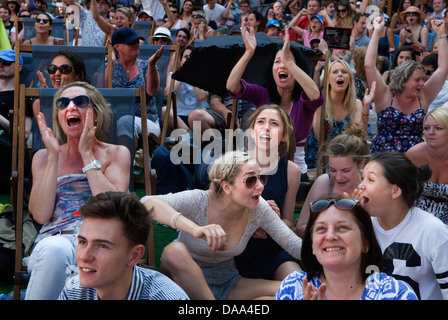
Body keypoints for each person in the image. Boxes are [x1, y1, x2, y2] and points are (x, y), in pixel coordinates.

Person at [141, 151, 303, 300]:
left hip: (229, 282)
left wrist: (324, 246)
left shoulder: (258, 207)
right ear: (226, 186)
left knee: (298, 287)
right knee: (174, 251)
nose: (260, 186)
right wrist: (195, 228)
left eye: (262, 178)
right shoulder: (201, 200)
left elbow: (294, 245)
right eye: (251, 179)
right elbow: (146, 203)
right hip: (185, 279)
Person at [26, 82, 131, 300]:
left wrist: (86, 154)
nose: (70, 107)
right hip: (57, 240)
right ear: (59, 117)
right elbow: (40, 215)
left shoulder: (117, 153)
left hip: (103, 241)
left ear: (97, 114)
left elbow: (113, 209)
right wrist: (54, 158)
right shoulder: (43, 157)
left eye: (80, 102)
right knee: (55, 251)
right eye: (63, 103)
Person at [226, 20, 324, 182]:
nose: (282, 66)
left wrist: (289, 63)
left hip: (295, 175)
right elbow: (232, 86)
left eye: (287, 62)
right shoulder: (262, 94)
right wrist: (249, 52)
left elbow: (316, 96)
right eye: (277, 62)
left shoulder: (303, 100)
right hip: (260, 172)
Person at [276, 195, 418, 300]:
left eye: (342, 227)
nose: (330, 236)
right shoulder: (293, 287)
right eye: (321, 229)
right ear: (312, 245)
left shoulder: (396, 294)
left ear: (366, 243)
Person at [59, 191, 189, 300]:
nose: (84, 256)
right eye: (83, 242)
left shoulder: (169, 297)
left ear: (134, 255)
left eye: (102, 246)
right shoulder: (73, 292)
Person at [352, 151, 448, 300]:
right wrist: (347, 219)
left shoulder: (432, 230)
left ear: (395, 191)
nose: (361, 186)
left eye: (370, 180)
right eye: (362, 178)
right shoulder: (361, 225)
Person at [234, 104, 302, 281]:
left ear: (284, 136)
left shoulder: (291, 171)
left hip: (274, 249)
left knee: (297, 282)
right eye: (261, 122)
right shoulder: (233, 163)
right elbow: (215, 213)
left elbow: (288, 220)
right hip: (237, 248)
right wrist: (249, 225)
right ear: (252, 131)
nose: (266, 127)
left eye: (274, 123)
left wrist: (273, 221)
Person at [365, 16, 448, 153]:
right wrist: (377, 31)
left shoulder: (424, 95)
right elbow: (369, 66)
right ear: (403, 80)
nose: (423, 83)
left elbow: (443, 68)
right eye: (417, 80)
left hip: (415, 161)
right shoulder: (385, 94)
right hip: (384, 161)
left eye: (423, 79)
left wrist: (441, 34)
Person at [297, 124, 370, 237]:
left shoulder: (370, 188)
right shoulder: (324, 182)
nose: (338, 177)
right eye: (333, 170)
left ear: (361, 164)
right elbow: (301, 227)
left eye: (346, 170)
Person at [305, 60, 373, 169]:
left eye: (344, 72)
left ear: (350, 79)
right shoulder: (320, 103)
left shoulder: (356, 104)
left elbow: (360, 136)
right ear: (328, 80)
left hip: (347, 159)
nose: (340, 74)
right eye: (335, 72)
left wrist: (366, 106)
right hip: (320, 161)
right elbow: (319, 137)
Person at [108, 27, 163, 149]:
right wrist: (109, 64)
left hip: (147, 121)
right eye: (130, 42)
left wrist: (152, 65)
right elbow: (104, 96)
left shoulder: (145, 65)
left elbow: (152, 91)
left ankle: (126, 166)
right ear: (117, 46)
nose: (136, 45)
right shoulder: (110, 68)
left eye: (137, 41)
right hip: (115, 120)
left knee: (126, 121)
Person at [406, 107, 448, 224]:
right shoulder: (414, 154)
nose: (430, 133)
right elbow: (404, 193)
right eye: (426, 128)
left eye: (438, 128)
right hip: (416, 218)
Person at [0, 49, 32, 194]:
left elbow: (24, 133)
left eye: (6, 63)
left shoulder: (22, 96)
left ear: (18, 67)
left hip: (7, 148)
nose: (1, 65)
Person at [32, 50, 90, 121]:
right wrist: (48, 102)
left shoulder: (89, 101)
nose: (57, 74)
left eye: (65, 69)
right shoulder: (39, 104)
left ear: (79, 75)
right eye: (53, 69)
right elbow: (52, 129)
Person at [162, 45, 208, 131]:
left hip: (195, 116)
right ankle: (188, 133)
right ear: (181, 60)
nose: (188, 59)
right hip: (177, 117)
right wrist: (182, 74)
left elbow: (202, 96)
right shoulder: (173, 75)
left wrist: (191, 74)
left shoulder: (203, 76)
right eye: (186, 57)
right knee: (164, 111)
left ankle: (187, 136)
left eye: (191, 57)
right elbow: (167, 94)